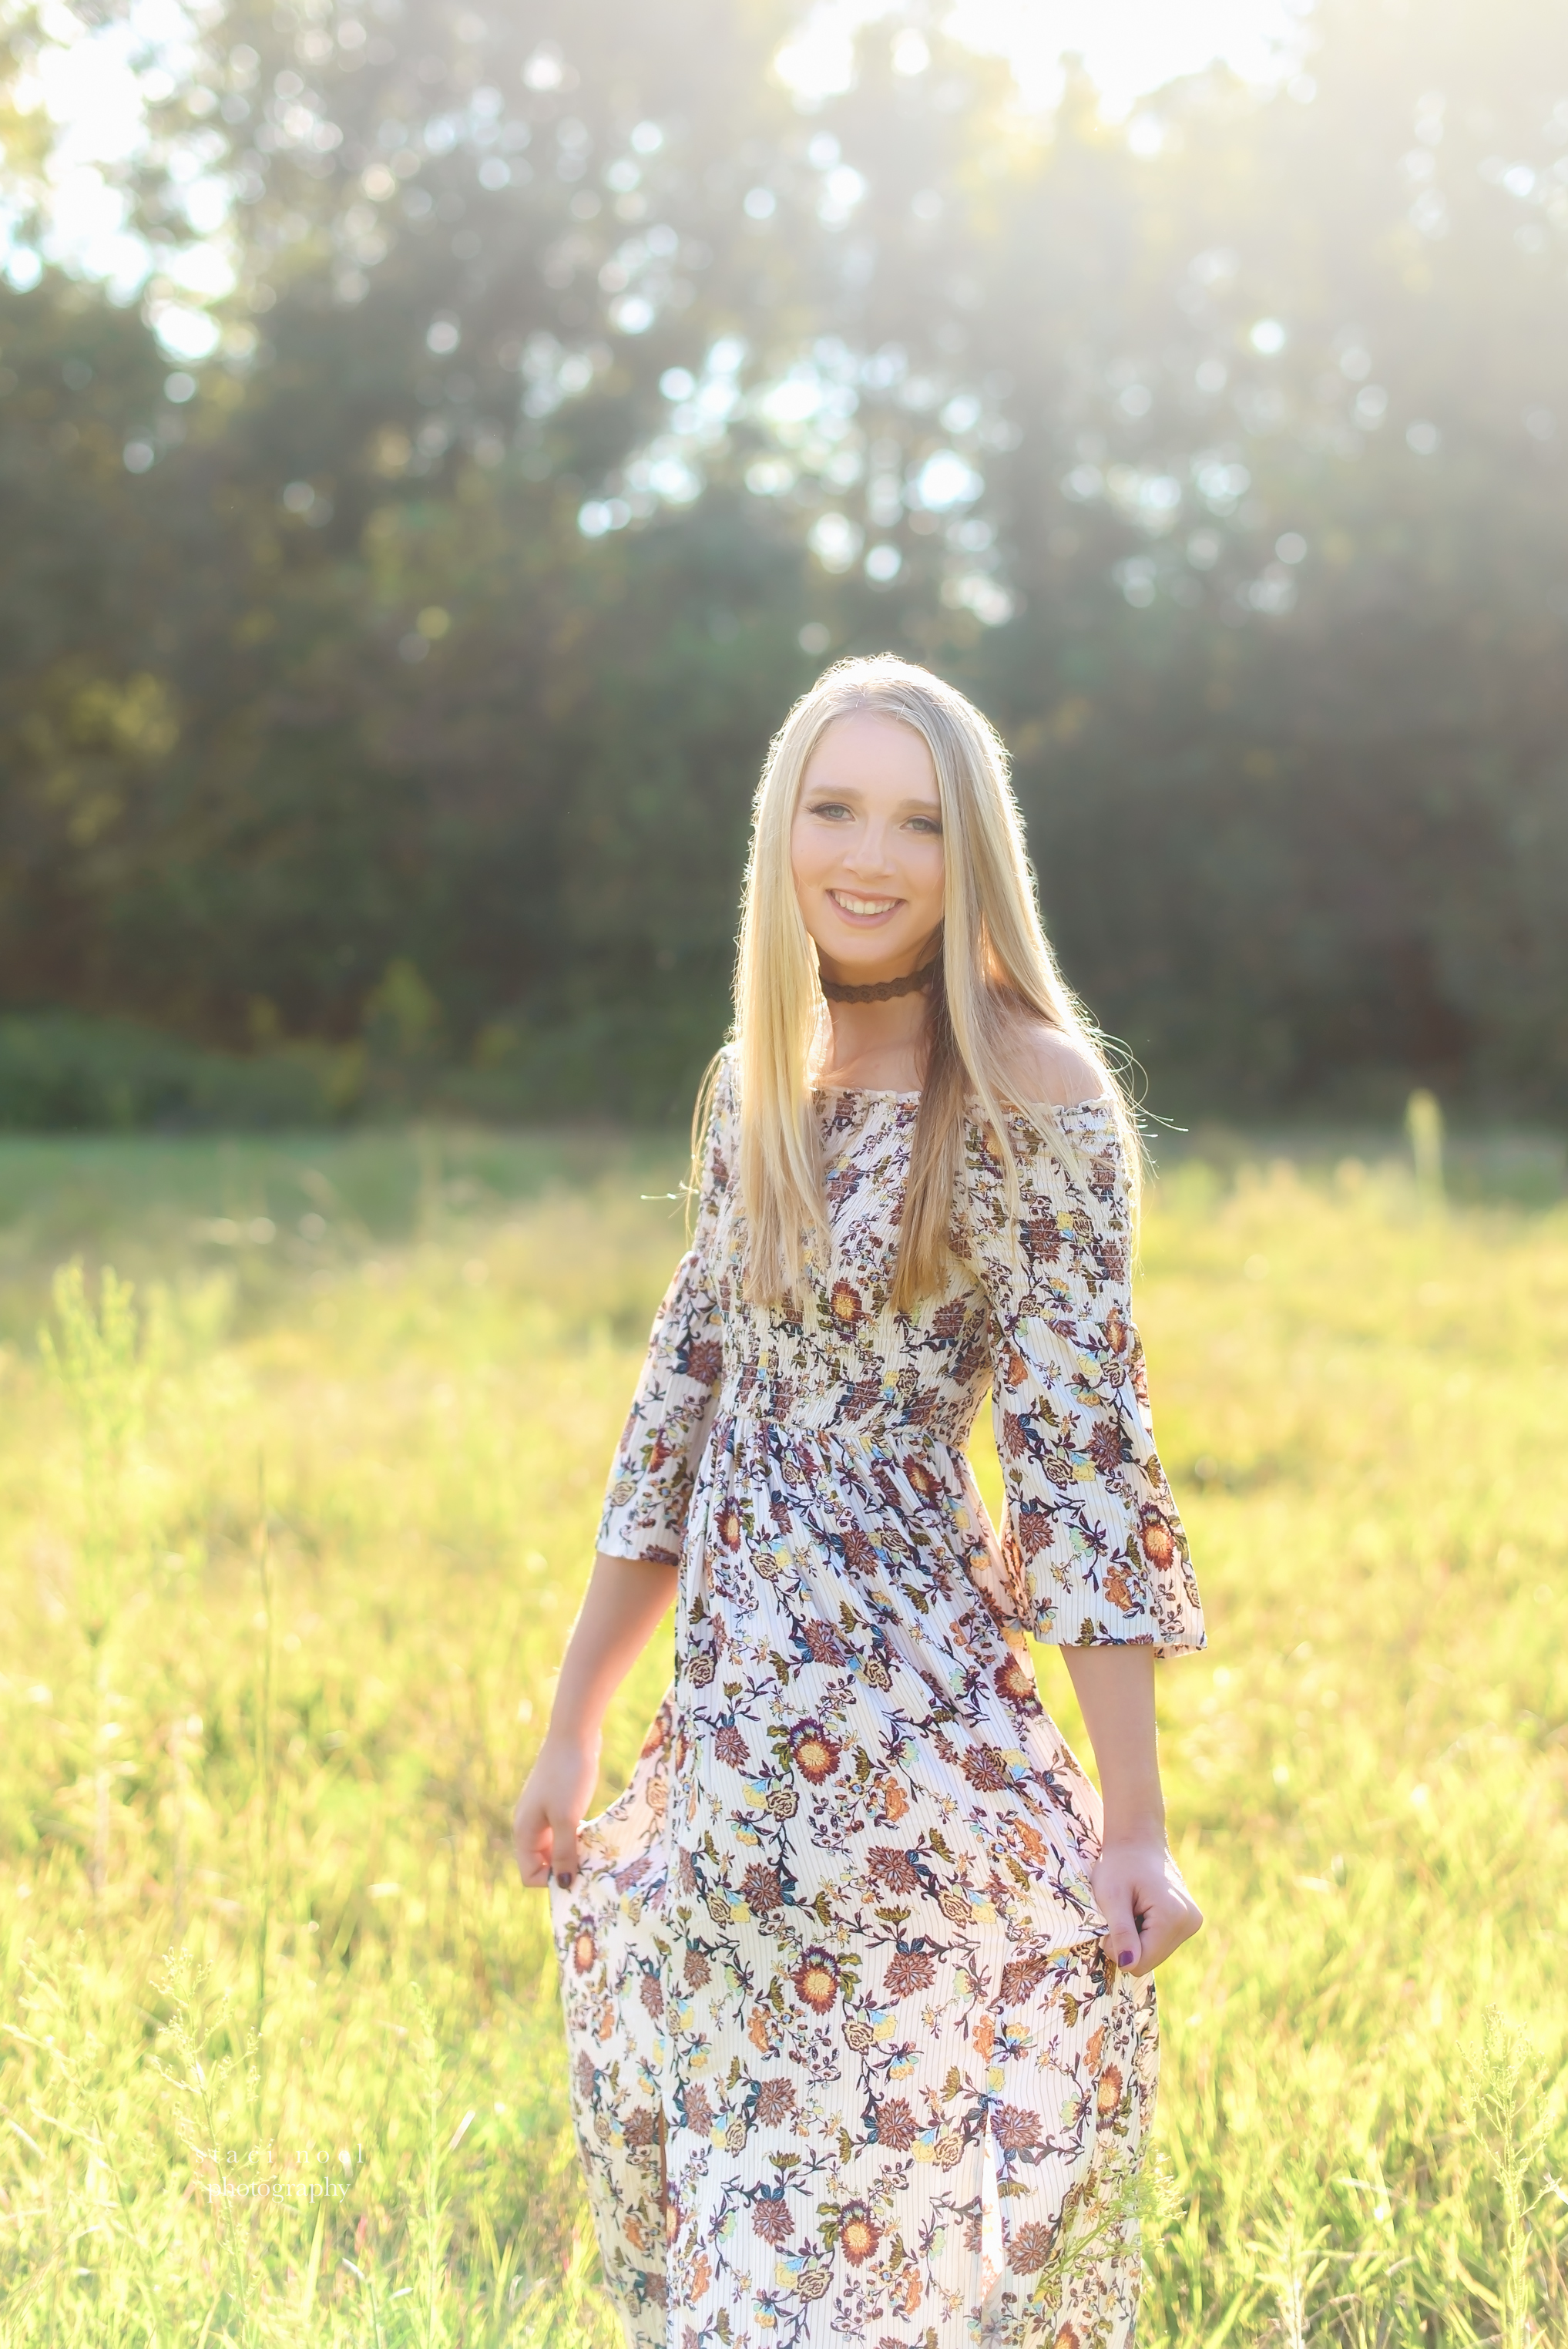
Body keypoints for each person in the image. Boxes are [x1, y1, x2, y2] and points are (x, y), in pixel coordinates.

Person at [512, 654, 1206, 2349]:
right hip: (730, 1755)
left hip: (907, 1748)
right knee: (744, 2216)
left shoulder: (1038, 1094)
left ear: (973, 852)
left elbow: (1081, 1459)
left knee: (882, 2224)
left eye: (915, 819)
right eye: (834, 809)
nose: (870, 855)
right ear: (781, 834)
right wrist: (572, 1722)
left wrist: (1132, 1819)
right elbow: (675, 1421)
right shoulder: (757, 1075)